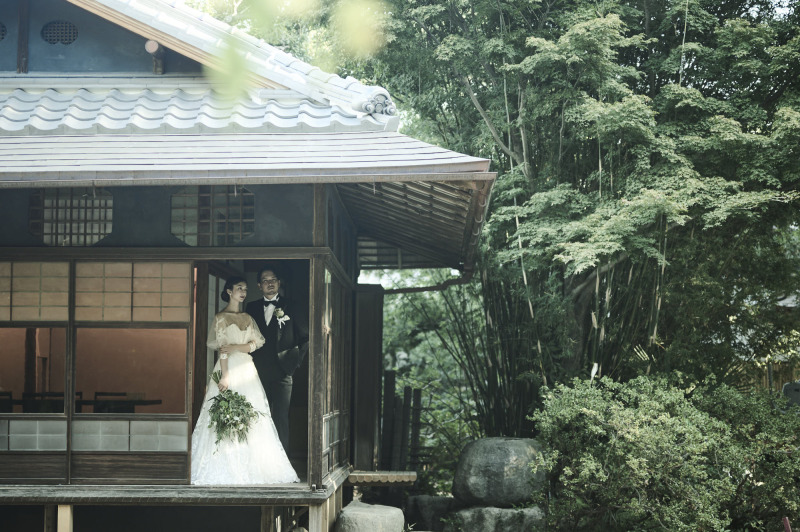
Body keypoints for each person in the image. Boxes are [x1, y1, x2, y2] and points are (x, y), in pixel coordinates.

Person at [191, 276, 299, 485]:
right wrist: (225, 375)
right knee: (225, 415)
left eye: (245, 289)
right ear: (229, 291)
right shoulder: (221, 317)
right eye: (239, 288)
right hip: (229, 367)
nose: (243, 292)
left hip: (247, 369)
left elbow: (257, 343)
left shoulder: (248, 317)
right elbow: (222, 349)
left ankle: (253, 465)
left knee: (252, 417)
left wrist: (237, 348)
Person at [246, 265, 309, 451]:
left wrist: (294, 363)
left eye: (273, 279)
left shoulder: (292, 306)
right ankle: (260, 459)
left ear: (279, 283)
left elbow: (305, 337)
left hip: (283, 372)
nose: (270, 283)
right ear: (259, 285)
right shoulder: (251, 307)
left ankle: (283, 465)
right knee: (258, 416)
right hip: (257, 373)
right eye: (265, 281)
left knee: (281, 418)